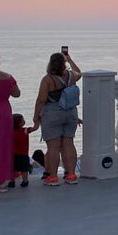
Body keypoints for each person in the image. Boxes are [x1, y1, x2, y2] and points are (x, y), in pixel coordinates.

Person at [34, 50, 81, 187]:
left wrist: (36, 117)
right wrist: (70, 60)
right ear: (63, 63)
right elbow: (79, 72)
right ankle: (71, 175)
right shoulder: (71, 76)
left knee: (53, 147)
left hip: (53, 114)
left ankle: (53, 177)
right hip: (71, 113)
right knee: (69, 144)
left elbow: (41, 100)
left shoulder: (48, 79)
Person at [0, 51, 21, 194]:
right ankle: (1, 182)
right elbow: (17, 94)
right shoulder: (7, 77)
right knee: (3, 146)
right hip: (3, 113)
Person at [11, 114, 31, 188]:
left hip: (13, 154)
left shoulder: (10, 132)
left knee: (13, 168)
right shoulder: (25, 130)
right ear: (20, 123)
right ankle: (25, 181)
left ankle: (12, 181)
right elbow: (34, 128)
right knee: (24, 169)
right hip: (23, 154)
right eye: (23, 120)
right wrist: (37, 121)